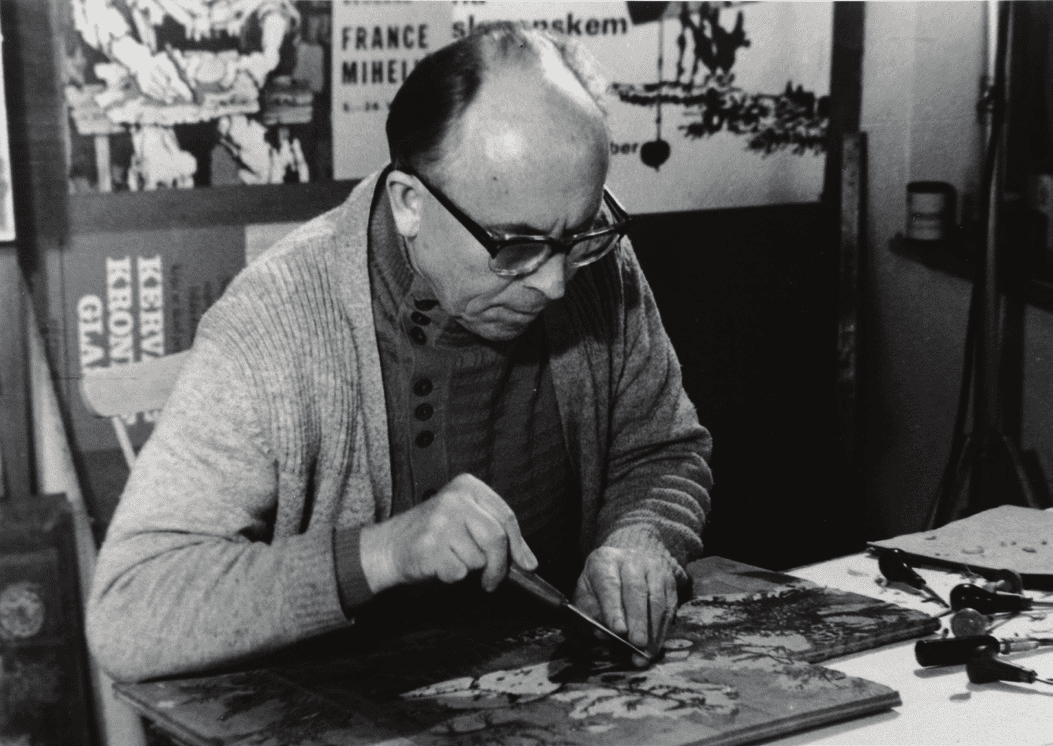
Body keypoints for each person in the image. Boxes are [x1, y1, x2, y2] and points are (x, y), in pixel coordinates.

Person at [86, 22, 712, 683]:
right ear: (410, 204)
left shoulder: (589, 260)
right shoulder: (272, 329)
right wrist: (381, 552)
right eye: (516, 247)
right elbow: (130, 611)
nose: (554, 284)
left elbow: (662, 448)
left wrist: (640, 538)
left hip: (550, 688)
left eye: (580, 235)